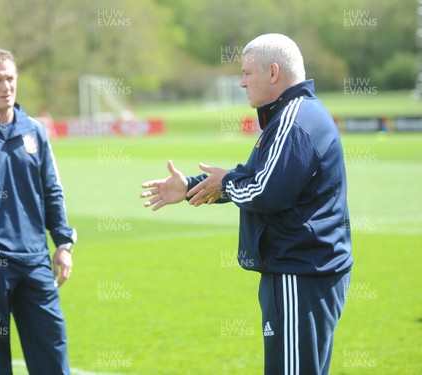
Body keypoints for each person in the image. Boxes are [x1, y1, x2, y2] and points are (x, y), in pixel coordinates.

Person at [140, 33, 353, 375]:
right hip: (300, 271)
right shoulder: (291, 114)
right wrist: (191, 187)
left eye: (247, 72)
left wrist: (223, 183)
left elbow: (265, 192)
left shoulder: (295, 121)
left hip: (299, 273)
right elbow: (255, 175)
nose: (241, 82)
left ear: (273, 72)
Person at [0, 48, 76, 375]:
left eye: (10, 78)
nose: (6, 86)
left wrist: (63, 243)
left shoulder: (34, 131)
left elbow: (52, 189)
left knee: (52, 348)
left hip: (35, 261)